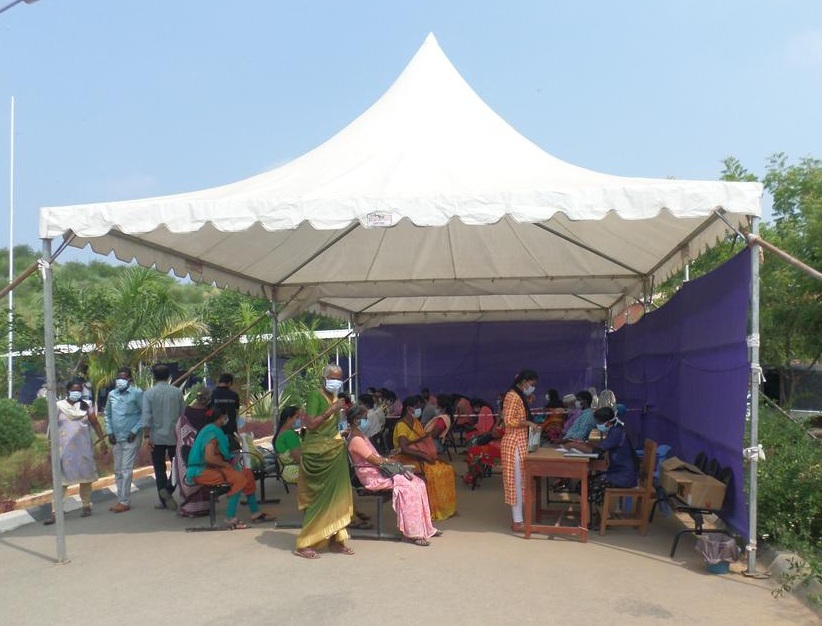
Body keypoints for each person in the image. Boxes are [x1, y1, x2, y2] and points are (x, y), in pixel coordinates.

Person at [346, 406, 442, 546]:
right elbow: (375, 460)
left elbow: (376, 459)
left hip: (380, 472)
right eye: (365, 418)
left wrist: (390, 461)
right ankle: (414, 532)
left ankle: (425, 527)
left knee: (419, 482)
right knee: (409, 487)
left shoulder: (360, 435)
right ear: (356, 420)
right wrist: (391, 461)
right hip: (373, 477)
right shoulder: (356, 440)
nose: (367, 420)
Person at [293, 363, 354, 559]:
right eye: (334, 377)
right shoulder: (315, 395)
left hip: (335, 451)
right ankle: (304, 543)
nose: (337, 381)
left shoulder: (335, 397)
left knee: (337, 496)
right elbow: (310, 424)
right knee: (319, 500)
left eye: (340, 378)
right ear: (324, 378)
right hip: (317, 454)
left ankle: (336, 539)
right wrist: (331, 410)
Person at [185, 407, 272, 528]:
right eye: (224, 417)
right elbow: (209, 458)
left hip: (211, 469)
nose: (226, 420)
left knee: (247, 473)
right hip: (200, 471)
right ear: (220, 418)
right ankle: (230, 518)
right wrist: (226, 465)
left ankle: (255, 513)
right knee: (238, 479)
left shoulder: (212, 430)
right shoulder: (212, 433)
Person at [44, 379, 108, 525]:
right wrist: (49, 447)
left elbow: (95, 424)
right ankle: (56, 513)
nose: (76, 392)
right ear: (68, 391)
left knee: (85, 480)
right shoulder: (59, 406)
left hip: (83, 450)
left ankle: (86, 506)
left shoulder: (86, 406)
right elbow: (51, 427)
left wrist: (102, 440)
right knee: (61, 482)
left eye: (79, 389)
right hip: (63, 451)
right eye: (74, 389)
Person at [392, 395, 457, 521]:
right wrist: (425, 456)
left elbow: (423, 440)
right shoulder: (402, 425)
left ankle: (443, 507)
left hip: (418, 455)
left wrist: (431, 456)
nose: (419, 410)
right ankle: (431, 509)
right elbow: (404, 448)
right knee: (436, 472)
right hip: (405, 457)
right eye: (417, 407)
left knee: (447, 469)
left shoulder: (415, 422)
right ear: (409, 409)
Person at [576, 406, 638, 516]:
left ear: (608, 423)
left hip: (623, 476)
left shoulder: (616, 432)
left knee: (586, 485)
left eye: (599, 422)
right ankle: (600, 515)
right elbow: (601, 446)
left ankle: (600, 516)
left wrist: (576, 446)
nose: (598, 425)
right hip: (619, 472)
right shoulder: (615, 429)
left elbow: (598, 450)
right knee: (584, 483)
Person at [499, 369, 541, 533]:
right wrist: (529, 424)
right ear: (524, 381)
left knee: (520, 480)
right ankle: (517, 521)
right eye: (532, 384)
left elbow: (516, 413)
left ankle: (520, 519)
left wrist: (527, 401)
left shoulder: (518, 396)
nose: (533, 387)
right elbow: (509, 421)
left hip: (520, 442)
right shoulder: (512, 396)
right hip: (514, 443)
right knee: (516, 482)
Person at [142, 363, 185, 510]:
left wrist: (147, 437)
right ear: (168, 376)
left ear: (154, 377)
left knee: (159, 467)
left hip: (156, 437)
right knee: (177, 466)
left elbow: (146, 417)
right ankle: (169, 489)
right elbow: (183, 414)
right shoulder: (177, 392)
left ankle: (163, 499)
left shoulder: (149, 394)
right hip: (175, 436)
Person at [103, 367, 144, 513]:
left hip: (131, 437)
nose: (120, 380)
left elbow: (144, 414)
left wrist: (135, 431)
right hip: (116, 437)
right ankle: (120, 498)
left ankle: (124, 501)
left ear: (130, 380)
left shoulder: (137, 394)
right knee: (118, 470)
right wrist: (109, 432)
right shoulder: (111, 394)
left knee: (126, 470)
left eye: (124, 377)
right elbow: (107, 414)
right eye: (118, 377)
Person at [173, 387, 212, 517]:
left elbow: (180, 429)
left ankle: (188, 508)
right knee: (203, 476)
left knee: (188, 478)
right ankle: (204, 507)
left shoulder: (187, 411)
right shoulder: (208, 413)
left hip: (186, 449)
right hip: (202, 449)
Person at [274, 404, 304, 484]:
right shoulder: (289, 434)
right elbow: (298, 458)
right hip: (294, 471)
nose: (300, 420)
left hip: (286, 470)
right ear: (288, 418)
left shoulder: (281, 432)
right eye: (297, 417)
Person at [211, 373, 241, 451]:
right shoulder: (234, 395)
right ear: (230, 383)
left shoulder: (212, 394)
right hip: (230, 427)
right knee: (232, 450)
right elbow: (237, 412)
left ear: (219, 381)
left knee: (217, 449)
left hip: (216, 427)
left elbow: (209, 411)